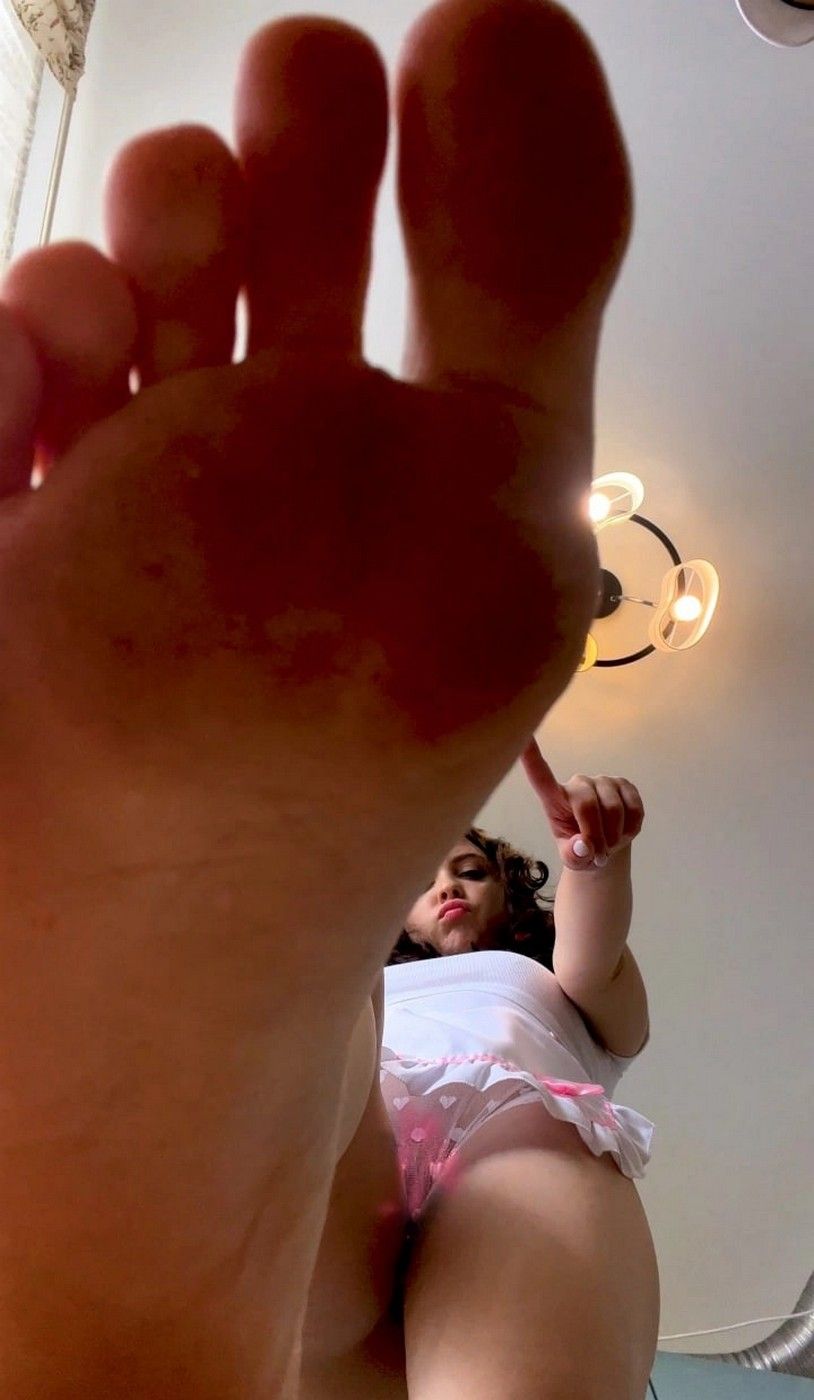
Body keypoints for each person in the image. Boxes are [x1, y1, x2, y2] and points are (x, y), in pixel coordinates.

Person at [0, 0, 659, 1395]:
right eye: (428, 871)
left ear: (514, 901)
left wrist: (593, 867)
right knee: (312, 1089)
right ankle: (214, 1082)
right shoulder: (376, 986)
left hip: (492, 1126)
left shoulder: (533, 982)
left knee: (379, 1272)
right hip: (337, 1111)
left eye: (473, 869)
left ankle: (132, 1296)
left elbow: (598, 984)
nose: (453, 888)